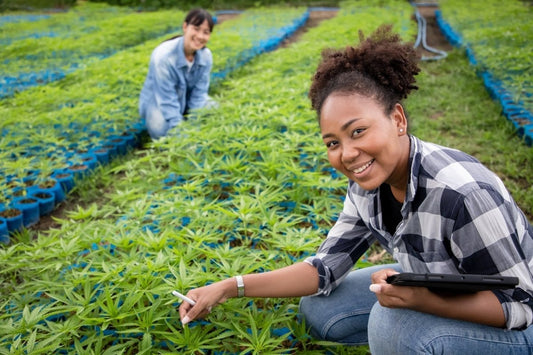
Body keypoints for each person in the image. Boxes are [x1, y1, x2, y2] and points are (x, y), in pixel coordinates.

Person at [178, 25, 533, 354]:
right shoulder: (367, 186)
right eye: (333, 142)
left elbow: (520, 304)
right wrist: (229, 286)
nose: (347, 154)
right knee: (321, 308)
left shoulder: (463, 193)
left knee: (391, 324)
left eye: (358, 131)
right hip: (443, 285)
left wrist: (421, 301)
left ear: (397, 119)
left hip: (518, 326)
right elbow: (323, 269)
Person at [139, 8, 215, 140]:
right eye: (196, 29)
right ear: (185, 27)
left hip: (186, 101)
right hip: (159, 102)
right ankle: (175, 127)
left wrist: (194, 126)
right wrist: (183, 135)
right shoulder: (163, 56)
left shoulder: (206, 56)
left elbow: (199, 94)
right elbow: (166, 100)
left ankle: (184, 121)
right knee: (160, 127)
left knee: (214, 110)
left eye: (206, 32)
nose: (200, 36)